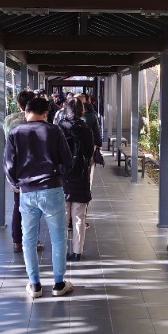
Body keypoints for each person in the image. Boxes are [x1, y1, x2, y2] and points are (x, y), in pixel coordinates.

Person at [5, 97, 74, 298]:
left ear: (26, 112)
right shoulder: (54, 131)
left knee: (28, 239)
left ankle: (35, 285)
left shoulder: (15, 133)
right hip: (52, 189)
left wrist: (17, 184)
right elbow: (67, 160)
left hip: (26, 192)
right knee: (59, 238)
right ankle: (59, 284)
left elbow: (8, 165)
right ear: (46, 113)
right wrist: (58, 175)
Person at [3, 89, 43, 253]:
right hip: (34, 167)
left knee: (18, 204)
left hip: (16, 166)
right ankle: (32, 241)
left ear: (19, 104)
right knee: (34, 206)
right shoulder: (38, 121)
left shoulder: (9, 120)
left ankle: (17, 241)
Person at [57, 98, 94, 261]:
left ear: (66, 110)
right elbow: (89, 155)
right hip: (80, 176)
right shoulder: (86, 130)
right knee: (79, 216)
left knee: (62, 217)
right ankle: (77, 252)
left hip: (62, 177)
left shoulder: (59, 128)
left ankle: (62, 250)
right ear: (81, 111)